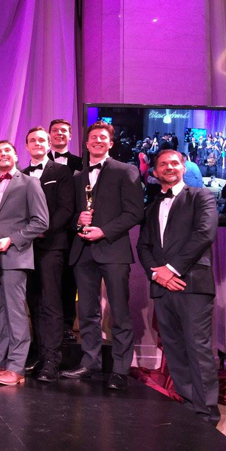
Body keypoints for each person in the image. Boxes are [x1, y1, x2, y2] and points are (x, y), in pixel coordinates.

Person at [137, 149, 219, 425]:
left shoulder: (201, 196)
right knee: (174, 349)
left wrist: (170, 269)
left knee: (198, 349)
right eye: (163, 164)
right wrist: (157, 275)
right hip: (162, 287)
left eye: (174, 163)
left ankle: (206, 413)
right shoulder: (151, 207)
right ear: (155, 172)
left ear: (184, 168)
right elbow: (143, 246)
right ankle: (189, 405)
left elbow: (204, 234)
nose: (169, 167)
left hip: (192, 284)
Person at [61, 121, 143, 390]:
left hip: (113, 249)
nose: (97, 141)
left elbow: (135, 213)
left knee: (119, 312)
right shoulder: (77, 177)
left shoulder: (126, 171)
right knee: (87, 312)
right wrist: (78, 220)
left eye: (102, 137)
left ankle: (120, 370)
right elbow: (70, 215)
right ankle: (90, 362)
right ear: (86, 144)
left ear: (111, 143)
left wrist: (103, 231)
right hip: (83, 251)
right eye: (93, 137)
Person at [0, 140, 49, 386]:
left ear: (16, 155)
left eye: (7, 151)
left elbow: (41, 222)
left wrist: (11, 240)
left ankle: (16, 366)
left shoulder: (29, 183)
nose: (2, 154)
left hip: (15, 255)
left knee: (15, 312)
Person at [21, 127, 74, 382]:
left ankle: (52, 360)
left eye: (42, 140)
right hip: (26, 248)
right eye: (32, 140)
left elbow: (66, 209)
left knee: (51, 303)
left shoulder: (61, 172)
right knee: (34, 302)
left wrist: (42, 230)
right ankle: (40, 354)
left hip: (52, 245)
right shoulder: (21, 174)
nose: (37, 143)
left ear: (49, 143)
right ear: (26, 146)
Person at [46, 118, 83, 343]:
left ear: (70, 136)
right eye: (55, 130)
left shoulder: (81, 163)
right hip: (43, 231)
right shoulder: (37, 161)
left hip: (71, 231)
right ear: (49, 135)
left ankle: (67, 324)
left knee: (69, 280)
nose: (59, 133)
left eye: (64, 131)